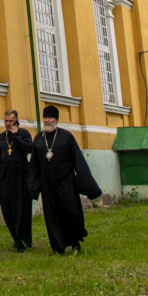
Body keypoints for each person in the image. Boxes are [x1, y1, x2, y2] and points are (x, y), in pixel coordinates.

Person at [28, 105, 102, 254]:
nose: (47, 120)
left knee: (70, 213)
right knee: (52, 217)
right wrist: (32, 186)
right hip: (47, 185)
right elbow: (34, 164)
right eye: (45, 118)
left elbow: (78, 160)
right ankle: (58, 247)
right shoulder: (38, 139)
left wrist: (87, 184)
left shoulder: (66, 137)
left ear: (56, 120)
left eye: (50, 118)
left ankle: (75, 243)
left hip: (66, 184)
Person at [0, 109, 34, 251]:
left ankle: (22, 241)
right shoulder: (1, 137)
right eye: (6, 121)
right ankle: (17, 238)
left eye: (11, 121)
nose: (8, 124)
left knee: (22, 209)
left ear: (16, 121)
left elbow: (29, 148)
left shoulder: (24, 133)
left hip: (21, 177)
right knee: (8, 209)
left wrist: (16, 137)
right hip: (6, 178)